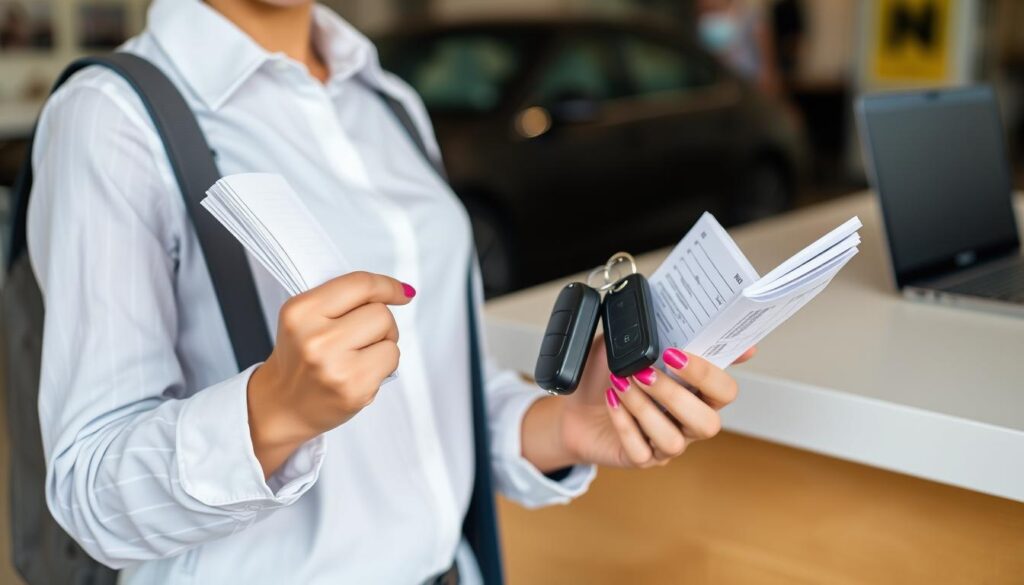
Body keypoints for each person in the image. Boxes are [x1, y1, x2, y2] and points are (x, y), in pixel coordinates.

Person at [27, 0, 754, 582]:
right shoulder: (111, 116)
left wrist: (566, 424)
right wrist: (273, 409)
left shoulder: (389, 101)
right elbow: (90, 494)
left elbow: (429, 388)